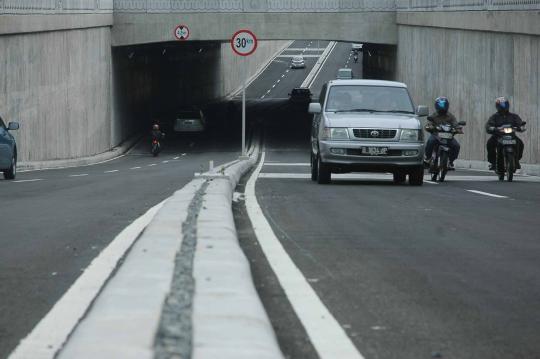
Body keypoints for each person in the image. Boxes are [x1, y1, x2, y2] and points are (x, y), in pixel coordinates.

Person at [485, 97, 525, 170]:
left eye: (505, 104)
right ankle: (493, 162)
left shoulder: (513, 116)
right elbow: (489, 125)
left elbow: (519, 123)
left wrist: (521, 127)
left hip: (511, 136)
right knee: (490, 143)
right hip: (498, 136)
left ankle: (516, 160)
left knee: (520, 143)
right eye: (502, 105)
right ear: (497, 106)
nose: (504, 106)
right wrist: (492, 128)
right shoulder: (494, 117)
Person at [424, 96, 461, 170]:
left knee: (456, 146)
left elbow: (455, 123)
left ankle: (450, 162)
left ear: (447, 105)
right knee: (430, 141)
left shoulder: (450, 116)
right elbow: (429, 123)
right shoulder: (434, 115)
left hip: (448, 136)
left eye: (444, 104)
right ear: (436, 105)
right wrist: (430, 127)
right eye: (440, 104)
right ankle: (428, 158)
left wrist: (457, 128)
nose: (442, 106)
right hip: (436, 135)